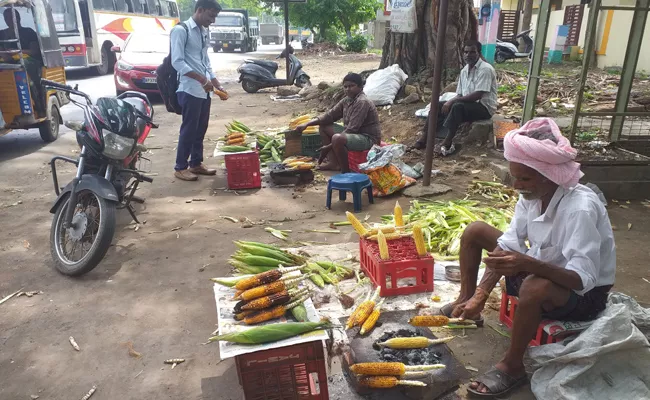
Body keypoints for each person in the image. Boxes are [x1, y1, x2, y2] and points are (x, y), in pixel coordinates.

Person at [441, 118, 615, 397]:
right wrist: (481, 294)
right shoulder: (532, 195)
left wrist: (528, 264)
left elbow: (583, 279)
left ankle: (512, 366)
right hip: (540, 269)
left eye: (524, 178)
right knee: (476, 231)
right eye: (514, 177)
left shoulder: (580, 208)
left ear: (548, 176)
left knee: (533, 284)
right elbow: (509, 242)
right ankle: (466, 301)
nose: (516, 186)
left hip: (584, 296)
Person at [170, 0, 225, 181]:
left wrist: (215, 82)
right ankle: (180, 167)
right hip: (189, 89)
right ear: (199, 10)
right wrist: (202, 79)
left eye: (215, 16)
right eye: (211, 15)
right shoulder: (181, 30)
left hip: (204, 90)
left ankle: (196, 163)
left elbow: (205, 60)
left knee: (200, 128)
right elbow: (177, 62)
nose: (213, 20)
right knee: (189, 129)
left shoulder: (203, 31)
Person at [413, 40, 497, 156]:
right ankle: (424, 138)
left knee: (457, 106)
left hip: (484, 107)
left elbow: (478, 95)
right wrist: (450, 101)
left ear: (479, 53)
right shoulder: (464, 71)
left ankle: (447, 142)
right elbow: (460, 94)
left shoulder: (485, 69)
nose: (468, 55)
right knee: (438, 104)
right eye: (466, 52)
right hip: (469, 105)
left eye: (472, 52)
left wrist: (453, 101)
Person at [295, 73, 381, 172]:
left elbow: (352, 129)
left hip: (368, 139)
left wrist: (328, 146)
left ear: (360, 87)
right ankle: (334, 163)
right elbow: (329, 116)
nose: (348, 89)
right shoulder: (346, 100)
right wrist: (306, 124)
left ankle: (345, 172)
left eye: (351, 86)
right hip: (354, 134)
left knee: (337, 138)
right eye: (345, 87)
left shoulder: (362, 102)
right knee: (324, 126)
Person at [0, 8, 44, 113]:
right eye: (6, 17)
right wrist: (5, 54)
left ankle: (38, 104)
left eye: (11, 17)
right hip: (7, 60)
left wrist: (17, 52)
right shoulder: (1, 34)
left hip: (28, 60)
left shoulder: (28, 32)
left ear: (18, 18)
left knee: (22, 66)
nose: (9, 20)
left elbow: (34, 51)